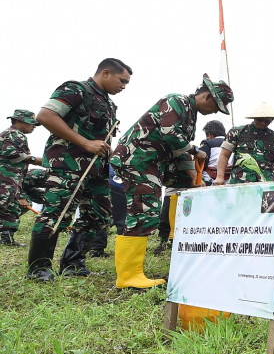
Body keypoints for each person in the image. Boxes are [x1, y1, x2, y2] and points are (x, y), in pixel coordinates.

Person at [109, 75, 232, 289]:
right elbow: (171, 135)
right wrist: (196, 151)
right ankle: (128, 276)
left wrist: (194, 178)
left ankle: (132, 272)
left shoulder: (190, 115)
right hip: (138, 160)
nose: (214, 112)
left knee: (149, 210)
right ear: (206, 95)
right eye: (216, 106)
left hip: (153, 164)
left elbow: (179, 150)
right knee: (144, 212)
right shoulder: (177, 101)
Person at [29, 58, 132, 281]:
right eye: (122, 80)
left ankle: (73, 264)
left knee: (98, 213)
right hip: (68, 163)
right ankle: (38, 268)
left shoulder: (108, 104)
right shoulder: (76, 89)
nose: (124, 86)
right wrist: (85, 142)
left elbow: (101, 139)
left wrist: (112, 157)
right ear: (106, 73)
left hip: (96, 170)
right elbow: (45, 116)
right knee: (56, 213)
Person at [214, 103, 274, 184]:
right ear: (254, 117)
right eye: (260, 120)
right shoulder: (236, 132)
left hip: (267, 184)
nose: (263, 123)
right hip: (241, 182)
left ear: (272, 120)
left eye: (267, 121)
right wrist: (220, 177)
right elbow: (224, 155)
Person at [0, 110, 43, 246]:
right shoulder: (13, 134)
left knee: (11, 206)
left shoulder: (17, 135)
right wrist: (35, 159)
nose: (34, 126)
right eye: (31, 123)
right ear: (18, 121)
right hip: (5, 176)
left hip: (13, 178)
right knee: (3, 203)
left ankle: (7, 239)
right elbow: (12, 154)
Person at [198, 119, 226, 184]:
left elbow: (201, 162)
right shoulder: (231, 142)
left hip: (211, 180)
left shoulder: (207, 143)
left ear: (209, 134)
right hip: (230, 179)